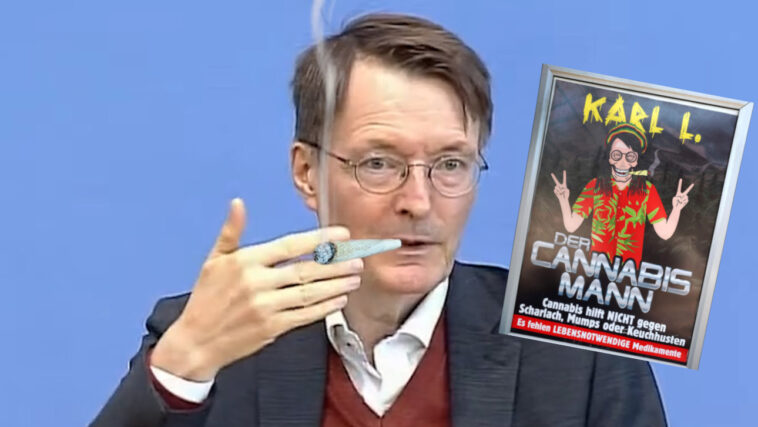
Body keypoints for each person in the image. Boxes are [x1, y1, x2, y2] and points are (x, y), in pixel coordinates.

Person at [91, 13, 668, 427]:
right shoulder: (211, 340)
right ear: (307, 173)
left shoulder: (580, 350)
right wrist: (181, 367)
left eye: (450, 164)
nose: (419, 201)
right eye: (379, 163)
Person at [551, 123, 693, 266]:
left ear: (636, 161)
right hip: (595, 268)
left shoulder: (646, 191)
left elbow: (665, 233)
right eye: (617, 155)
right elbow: (571, 226)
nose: (622, 162)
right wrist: (563, 200)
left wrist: (677, 208)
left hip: (628, 272)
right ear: (610, 157)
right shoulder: (595, 186)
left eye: (630, 156)